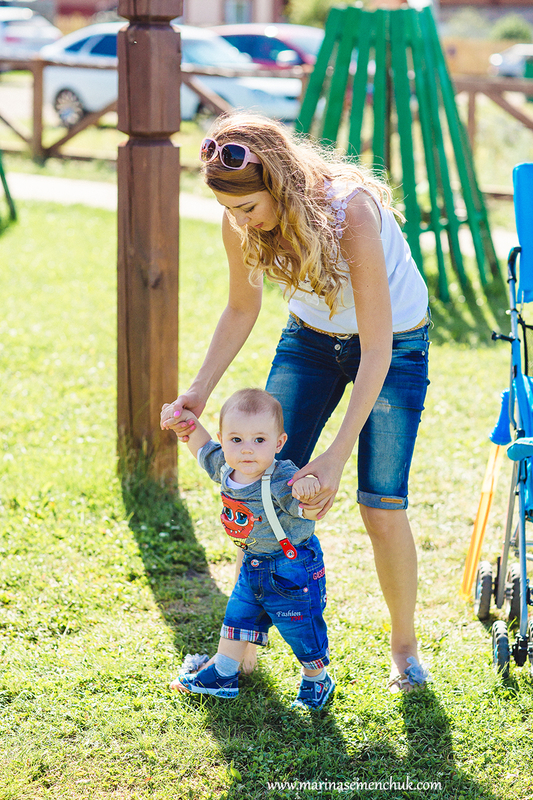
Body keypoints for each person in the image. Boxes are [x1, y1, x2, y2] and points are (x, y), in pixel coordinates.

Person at [161, 112, 430, 694]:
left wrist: (334, 457)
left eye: (247, 208)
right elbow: (242, 308)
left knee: (381, 504)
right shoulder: (239, 218)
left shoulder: (350, 213)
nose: (240, 222)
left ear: (279, 184)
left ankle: (405, 649)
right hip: (309, 340)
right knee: (253, 481)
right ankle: (238, 656)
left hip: (395, 345)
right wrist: (199, 390)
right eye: (229, 211)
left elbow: (377, 350)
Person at [169, 388, 335, 710]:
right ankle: (223, 673)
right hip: (254, 563)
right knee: (238, 617)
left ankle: (316, 678)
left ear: (279, 443)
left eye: (259, 440)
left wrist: (307, 490)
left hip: (291, 568)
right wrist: (185, 420)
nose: (247, 449)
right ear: (223, 440)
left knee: (299, 625)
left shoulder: (282, 479)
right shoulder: (224, 467)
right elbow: (200, 446)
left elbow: (308, 510)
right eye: (236, 440)